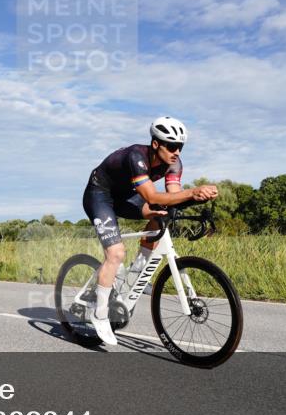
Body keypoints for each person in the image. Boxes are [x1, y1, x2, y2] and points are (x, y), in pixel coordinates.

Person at [82, 117, 218, 345]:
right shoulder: (136, 156)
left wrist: (197, 198)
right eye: (172, 146)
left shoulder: (175, 164)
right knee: (116, 254)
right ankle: (100, 313)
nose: (177, 152)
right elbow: (152, 196)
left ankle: (136, 272)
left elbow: (173, 197)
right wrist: (192, 192)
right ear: (156, 144)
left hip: (127, 197)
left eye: (180, 147)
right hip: (100, 194)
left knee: (161, 215)